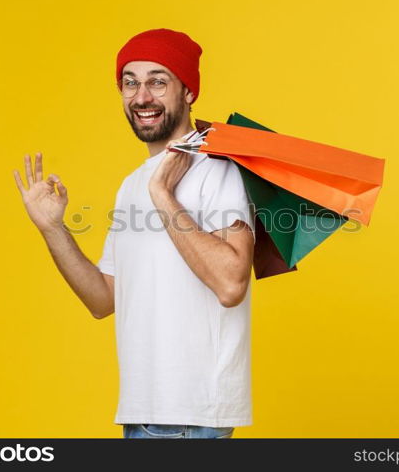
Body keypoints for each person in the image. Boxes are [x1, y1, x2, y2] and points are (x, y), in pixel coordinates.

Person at [13, 28, 255, 439]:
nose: (142, 96)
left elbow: (232, 284)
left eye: (158, 81)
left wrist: (163, 194)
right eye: (131, 82)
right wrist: (53, 229)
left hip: (191, 417)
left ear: (188, 92)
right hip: (142, 412)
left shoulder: (218, 169)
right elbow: (103, 299)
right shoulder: (130, 185)